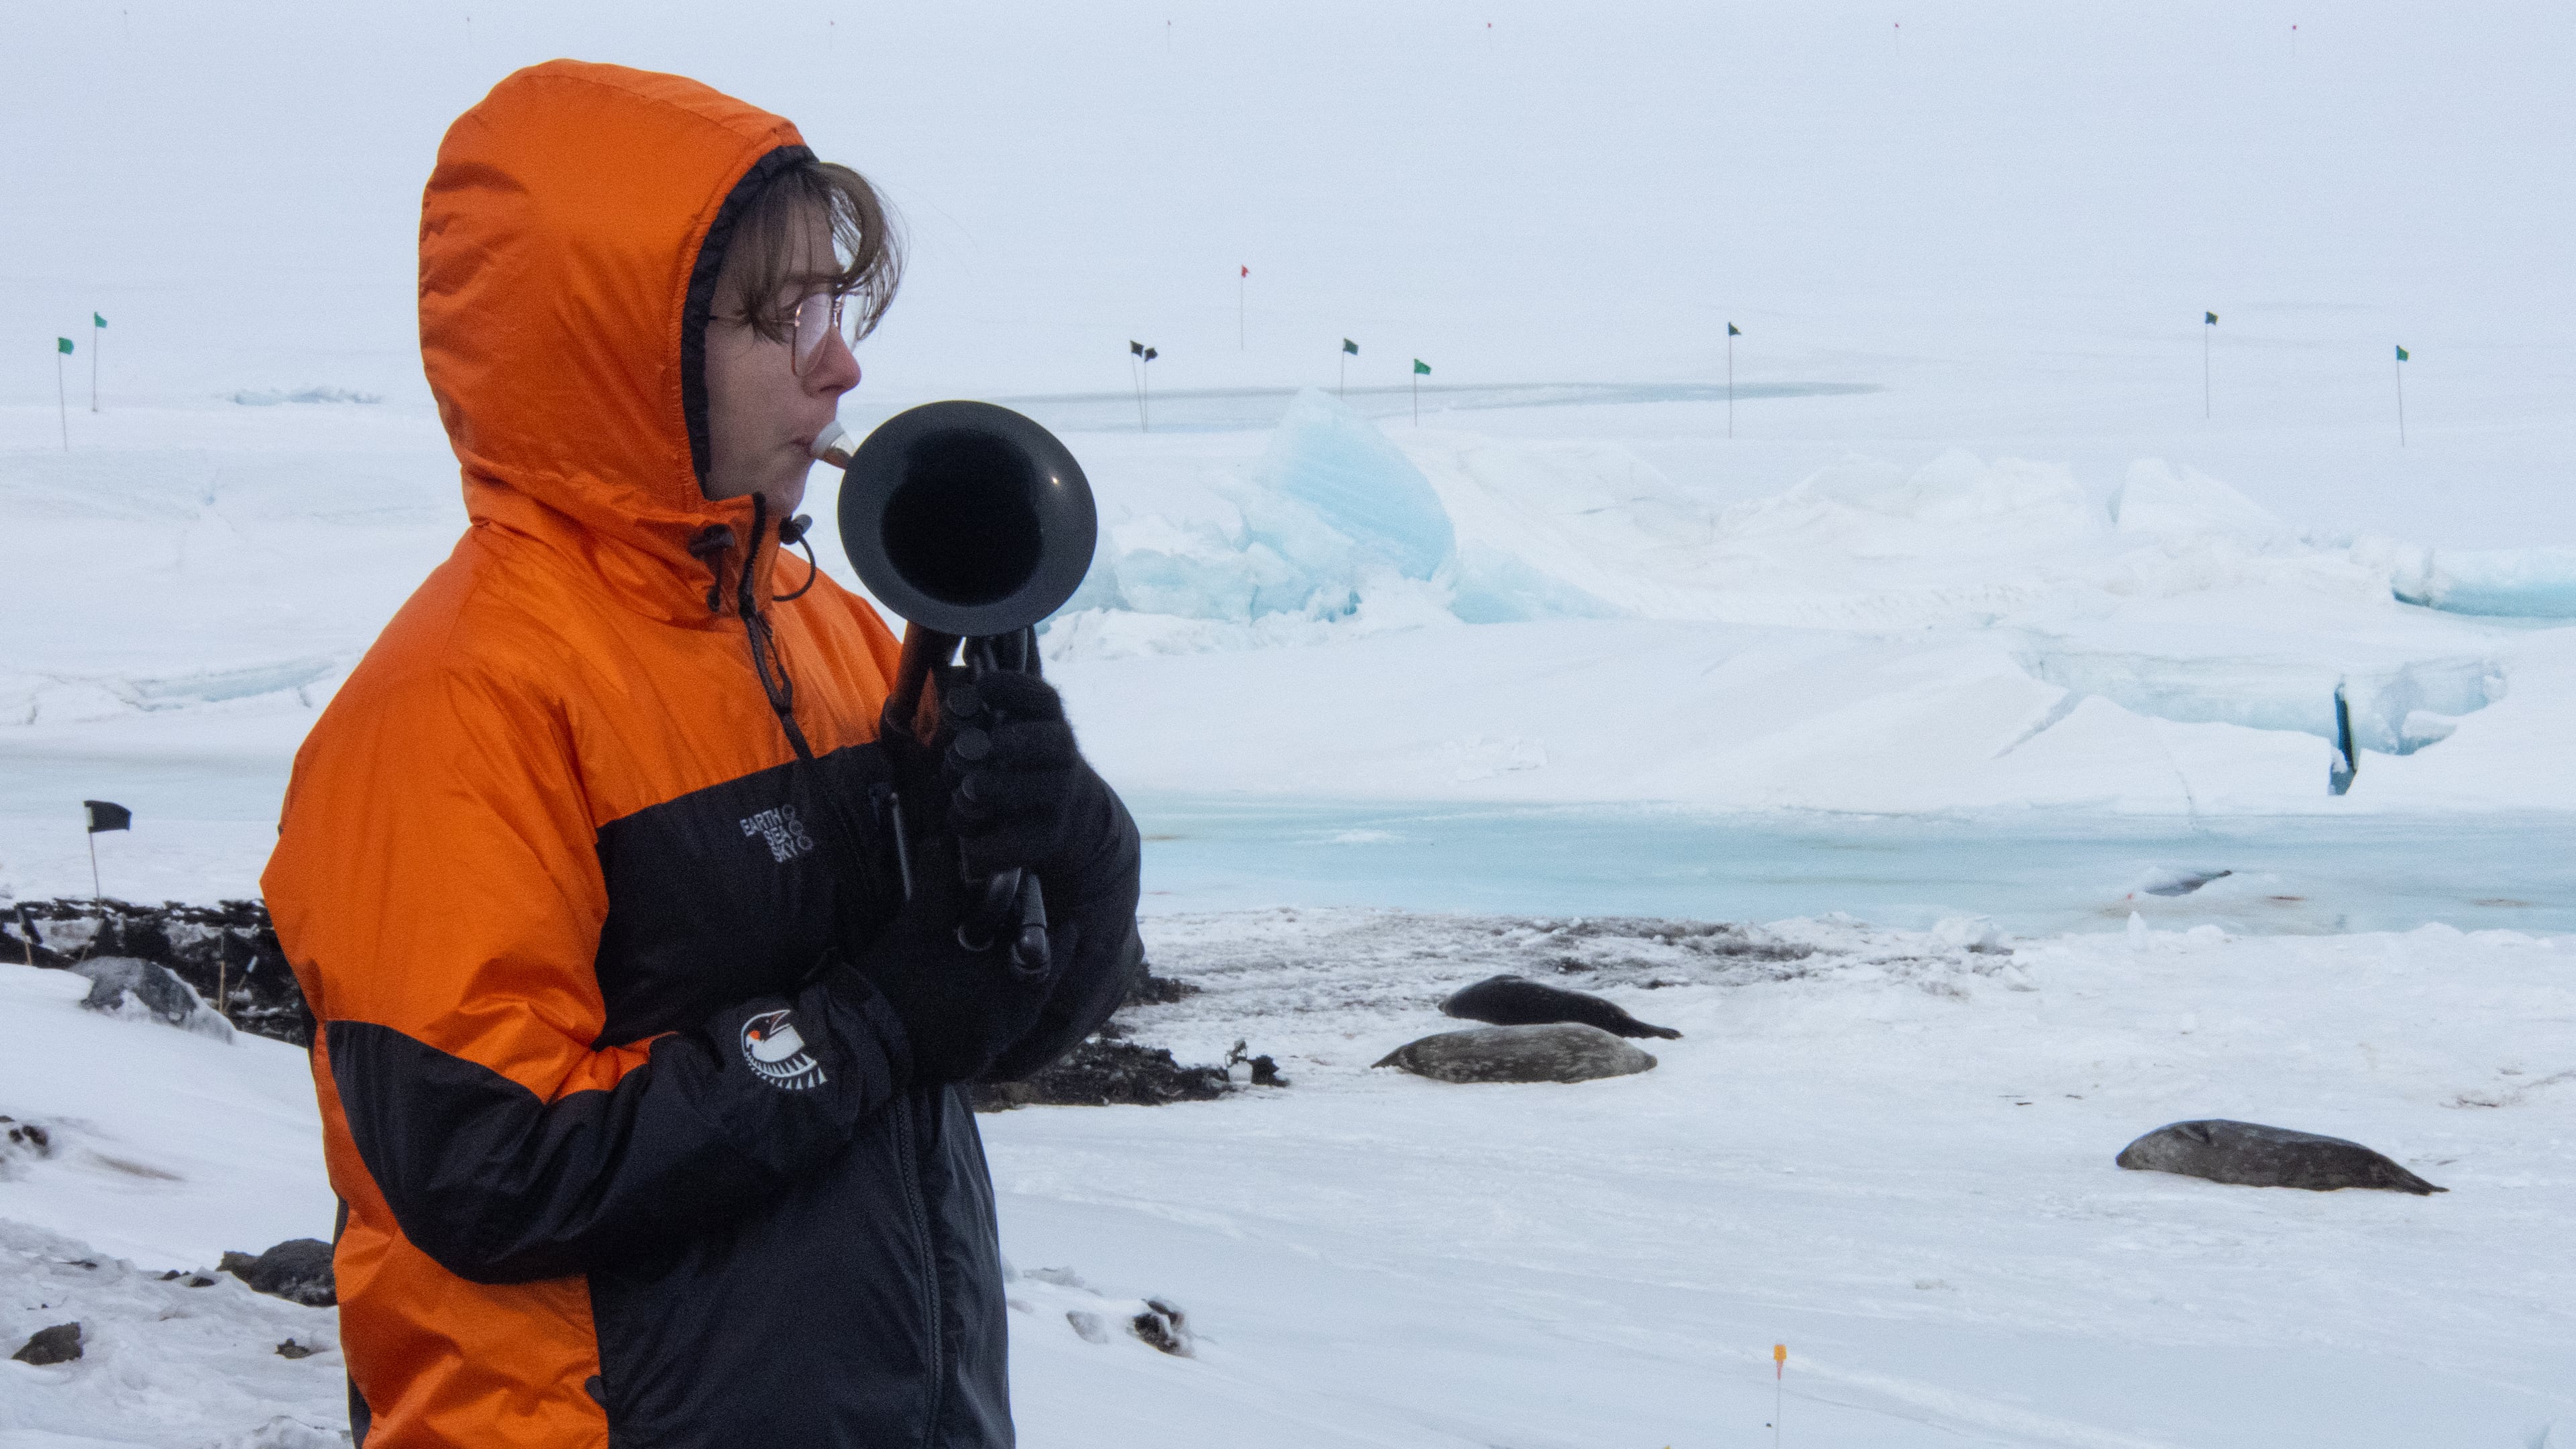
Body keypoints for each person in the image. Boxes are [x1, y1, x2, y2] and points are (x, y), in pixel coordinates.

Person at [262, 60, 1141, 1448]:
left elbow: (997, 1019)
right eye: (776, 318)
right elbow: (486, 1170)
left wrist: (1077, 857)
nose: (840, 364)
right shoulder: (450, 709)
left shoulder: (831, 635)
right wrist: (864, 1023)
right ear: (620, 349)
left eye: (835, 306)